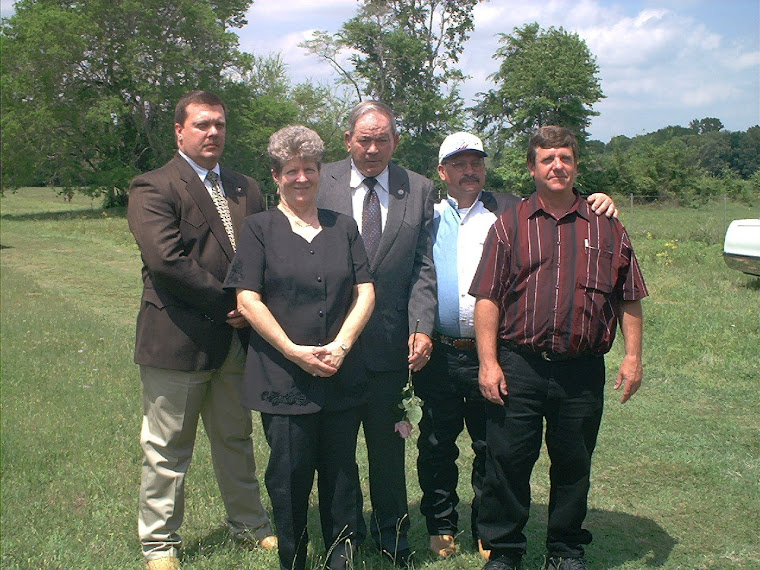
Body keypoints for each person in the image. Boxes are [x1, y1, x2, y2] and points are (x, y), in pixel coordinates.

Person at [416, 132, 617, 561]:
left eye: (476, 163)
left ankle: (488, 531)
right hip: (441, 350)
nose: (469, 171)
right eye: (458, 164)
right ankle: (441, 524)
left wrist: (600, 199)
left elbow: (560, 197)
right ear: (442, 171)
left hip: (497, 353)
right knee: (436, 441)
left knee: (494, 447)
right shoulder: (427, 218)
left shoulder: (508, 209)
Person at [470, 126, 648, 570]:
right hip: (520, 364)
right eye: (547, 159)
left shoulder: (606, 225)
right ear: (532, 168)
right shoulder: (509, 225)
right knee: (508, 460)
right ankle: (505, 551)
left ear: (575, 165)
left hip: (581, 368)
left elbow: (629, 295)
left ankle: (566, 549)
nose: (557, 166)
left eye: (565, 158)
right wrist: (488, 363)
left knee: (573, 463)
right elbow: (488, 297)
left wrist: (632, 356)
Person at [127, 90, 275, 570]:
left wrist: (251, 305)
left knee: (235, 439)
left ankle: (250, 526)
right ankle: (160, 545)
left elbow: (262, 253)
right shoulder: (153, 187)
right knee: (167, 449)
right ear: (179, 131)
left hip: (234, 342)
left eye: (220, 125)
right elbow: (167, 262)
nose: (213, 133)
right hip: (178, 337)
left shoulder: (246, 187)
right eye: (202, 124)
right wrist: (232, 302)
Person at [224, 125, 376, 570]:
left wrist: (342, 345)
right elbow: (246, 299)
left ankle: (340, 558)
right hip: (282, 376)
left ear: (320, 172)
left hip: (339, 371)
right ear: (276, 175)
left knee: (342, 474)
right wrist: (292, 350)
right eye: (292, 170)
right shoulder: (258, 229)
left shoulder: (342, 227)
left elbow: (365, 291)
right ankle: (294, 560)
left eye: (310, 169)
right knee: (289, 477)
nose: (302, 178)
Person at [317, 101, 437, 566]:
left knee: (389, 452)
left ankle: (395, 537)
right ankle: (343, 540)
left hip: (391, 348)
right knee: (338, 449)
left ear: (395, 141)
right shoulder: (318, 181)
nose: (372, 148)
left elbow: (423, 268)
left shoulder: (419, 188)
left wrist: (422, 326)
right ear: (347, 140)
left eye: (382, 139)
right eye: (363, 139)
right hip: (333, 345)